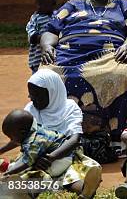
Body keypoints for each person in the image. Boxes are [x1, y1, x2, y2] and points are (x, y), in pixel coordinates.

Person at [39, 0, 127, 142]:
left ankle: (113, 132)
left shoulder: (123, 6)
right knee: (45, 77)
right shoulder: (72, 6)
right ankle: (52, 134)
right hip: (67, 54)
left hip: (108, 55)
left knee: (120, 74)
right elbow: (51, 30)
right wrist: (47, 45)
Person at [0, 69, 102, 197]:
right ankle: (32, 189)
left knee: (71, 177)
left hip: (65, 154)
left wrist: (51, 157)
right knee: (35, 176)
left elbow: (74, 139)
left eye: (37, 95)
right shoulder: (31, 108)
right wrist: (2, 150)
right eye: (31, 94)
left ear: (53, 92)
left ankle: (85, 188)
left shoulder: (69, 107)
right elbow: (21, 137)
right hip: (36, 155)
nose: (32, 98)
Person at [0, 109, 71, 178]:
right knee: (25, 161)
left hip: (62, 160)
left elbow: (26, 163)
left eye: (11, 137)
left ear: (22, 132)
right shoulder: (31, 128)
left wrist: (8, 173)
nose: (11, 140)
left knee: (29, 171)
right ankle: (11, 168)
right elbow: (16, 142)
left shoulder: (34, 142)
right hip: (57, 154)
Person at [26, 0, 57, 73]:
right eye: (37, 3)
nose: (38, 6)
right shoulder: (35, 19)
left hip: (55, 60)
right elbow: (32, 37)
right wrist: (45, 38)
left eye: (42, 4)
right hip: (37, 60)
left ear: (53, 4)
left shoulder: (58, 17)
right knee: (38, 82)